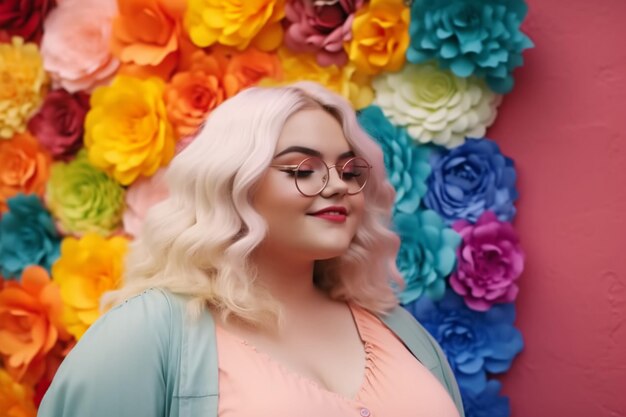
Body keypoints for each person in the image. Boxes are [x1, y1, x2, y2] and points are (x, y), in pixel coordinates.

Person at [38, 82, 465, 417]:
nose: (337, 184)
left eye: (350, 170)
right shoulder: (147, 332)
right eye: (303, 169)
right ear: (232, 185)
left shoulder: (397, 328)